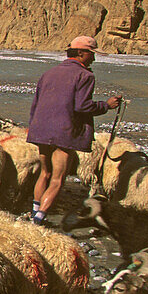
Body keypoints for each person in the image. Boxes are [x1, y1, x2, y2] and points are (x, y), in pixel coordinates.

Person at [26, 36, 122, 225]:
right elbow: (82, 106)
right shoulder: (85, 76)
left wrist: (35, 127)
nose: (94, 59)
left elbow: (36, 103)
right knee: (57, 178)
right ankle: (38, 220)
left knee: (44, 173)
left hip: (41, 129)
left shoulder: (49, 73)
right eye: (92, 54)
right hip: (64, 131)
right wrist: (107, 105)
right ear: (81, 53)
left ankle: (34, 212)